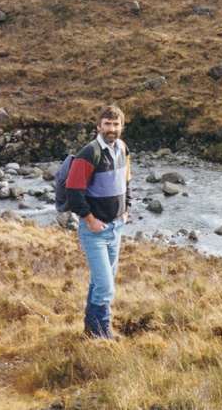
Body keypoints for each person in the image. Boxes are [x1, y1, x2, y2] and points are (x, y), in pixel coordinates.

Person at [65, 104, 131, 339]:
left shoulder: (122, 148)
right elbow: (73, 192)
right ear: (98, 126)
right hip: (95, 231)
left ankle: (92, 330)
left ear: (121, 126)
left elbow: (126, 181)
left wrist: (126, 210)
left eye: (116, 124)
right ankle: (103, 331)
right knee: (105, 286)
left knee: (100, 282)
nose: (112, 129)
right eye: (107, 124)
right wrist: (90, 220)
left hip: (116, 227)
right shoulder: (89, 153)